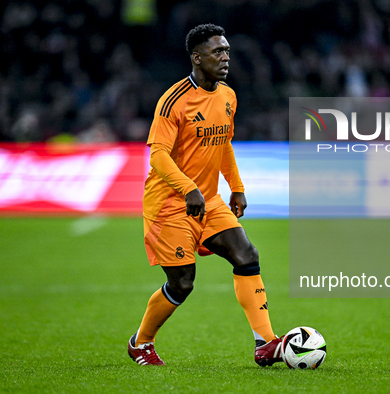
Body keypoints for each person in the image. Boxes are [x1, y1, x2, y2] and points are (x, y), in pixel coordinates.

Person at [127, 23, 282, 367]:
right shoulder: (173, 101)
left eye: (226, 51)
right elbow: (158, 155)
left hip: (208, 200)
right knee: (182, 284)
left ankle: (265, 342)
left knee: (246, 255)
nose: (225, 57)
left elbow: (223, 143)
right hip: (170, 204)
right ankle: (141, 343)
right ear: (197, 58)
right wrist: (189, 188)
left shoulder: (227, 95)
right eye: (217, 52)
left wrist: (237, 187)